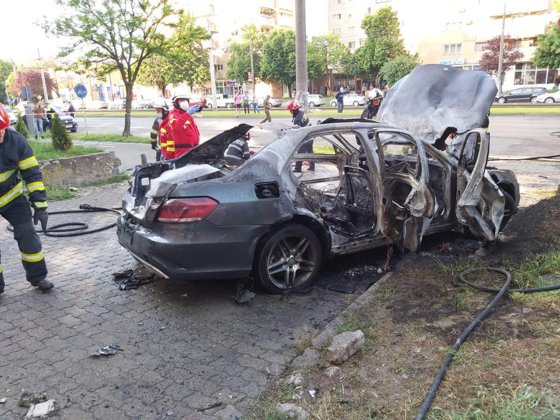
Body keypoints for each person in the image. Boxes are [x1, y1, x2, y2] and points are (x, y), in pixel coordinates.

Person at [0, 104, 52, 294]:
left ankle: (38, 277)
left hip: (12, 199)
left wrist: (40, 206)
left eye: (3, 130)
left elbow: (32, 174)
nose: (1, 135)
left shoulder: (16, 141)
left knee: (28, 236)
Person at [159, 94, 202, 160]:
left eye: (186, 100)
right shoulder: (174, 115)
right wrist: (187, 114)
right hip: (183, 153)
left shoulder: (186, 115)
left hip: (193, 150)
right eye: (181, 100)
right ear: (176, 103)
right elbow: (176, 127)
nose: (185, 102)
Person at [287, 100, 313, 172]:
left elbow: (296, 131)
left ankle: (298, 169)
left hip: (306, 137)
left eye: (291, 110)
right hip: (310, 135)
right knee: (310, 152)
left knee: (300, 152)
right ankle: (312, 167)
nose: (290, 112)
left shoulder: (298, 118)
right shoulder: (301, 113)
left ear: (294, 110)